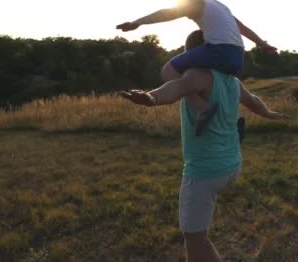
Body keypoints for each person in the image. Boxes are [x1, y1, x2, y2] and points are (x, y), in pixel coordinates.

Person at [120, 30, 287, 262]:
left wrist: (151, 98)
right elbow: (253, 101)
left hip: (204, 172)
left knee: (195, 237)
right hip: (231, 165)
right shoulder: (232, 81)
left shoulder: (198, 76)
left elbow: (175, 88)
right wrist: (270, 113)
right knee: (196, 236)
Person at [116, 0, 277, 135]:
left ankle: (201, 108)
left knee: (169, 70)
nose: (187, 15)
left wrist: (137, 22)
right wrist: (261, 43)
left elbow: (168, 13)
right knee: (210, 82)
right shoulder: (220, 7)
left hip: (219, 50)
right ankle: (227, 125)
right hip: (237, 57)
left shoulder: (197, 3)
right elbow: (243, 28)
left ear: (188, 0)